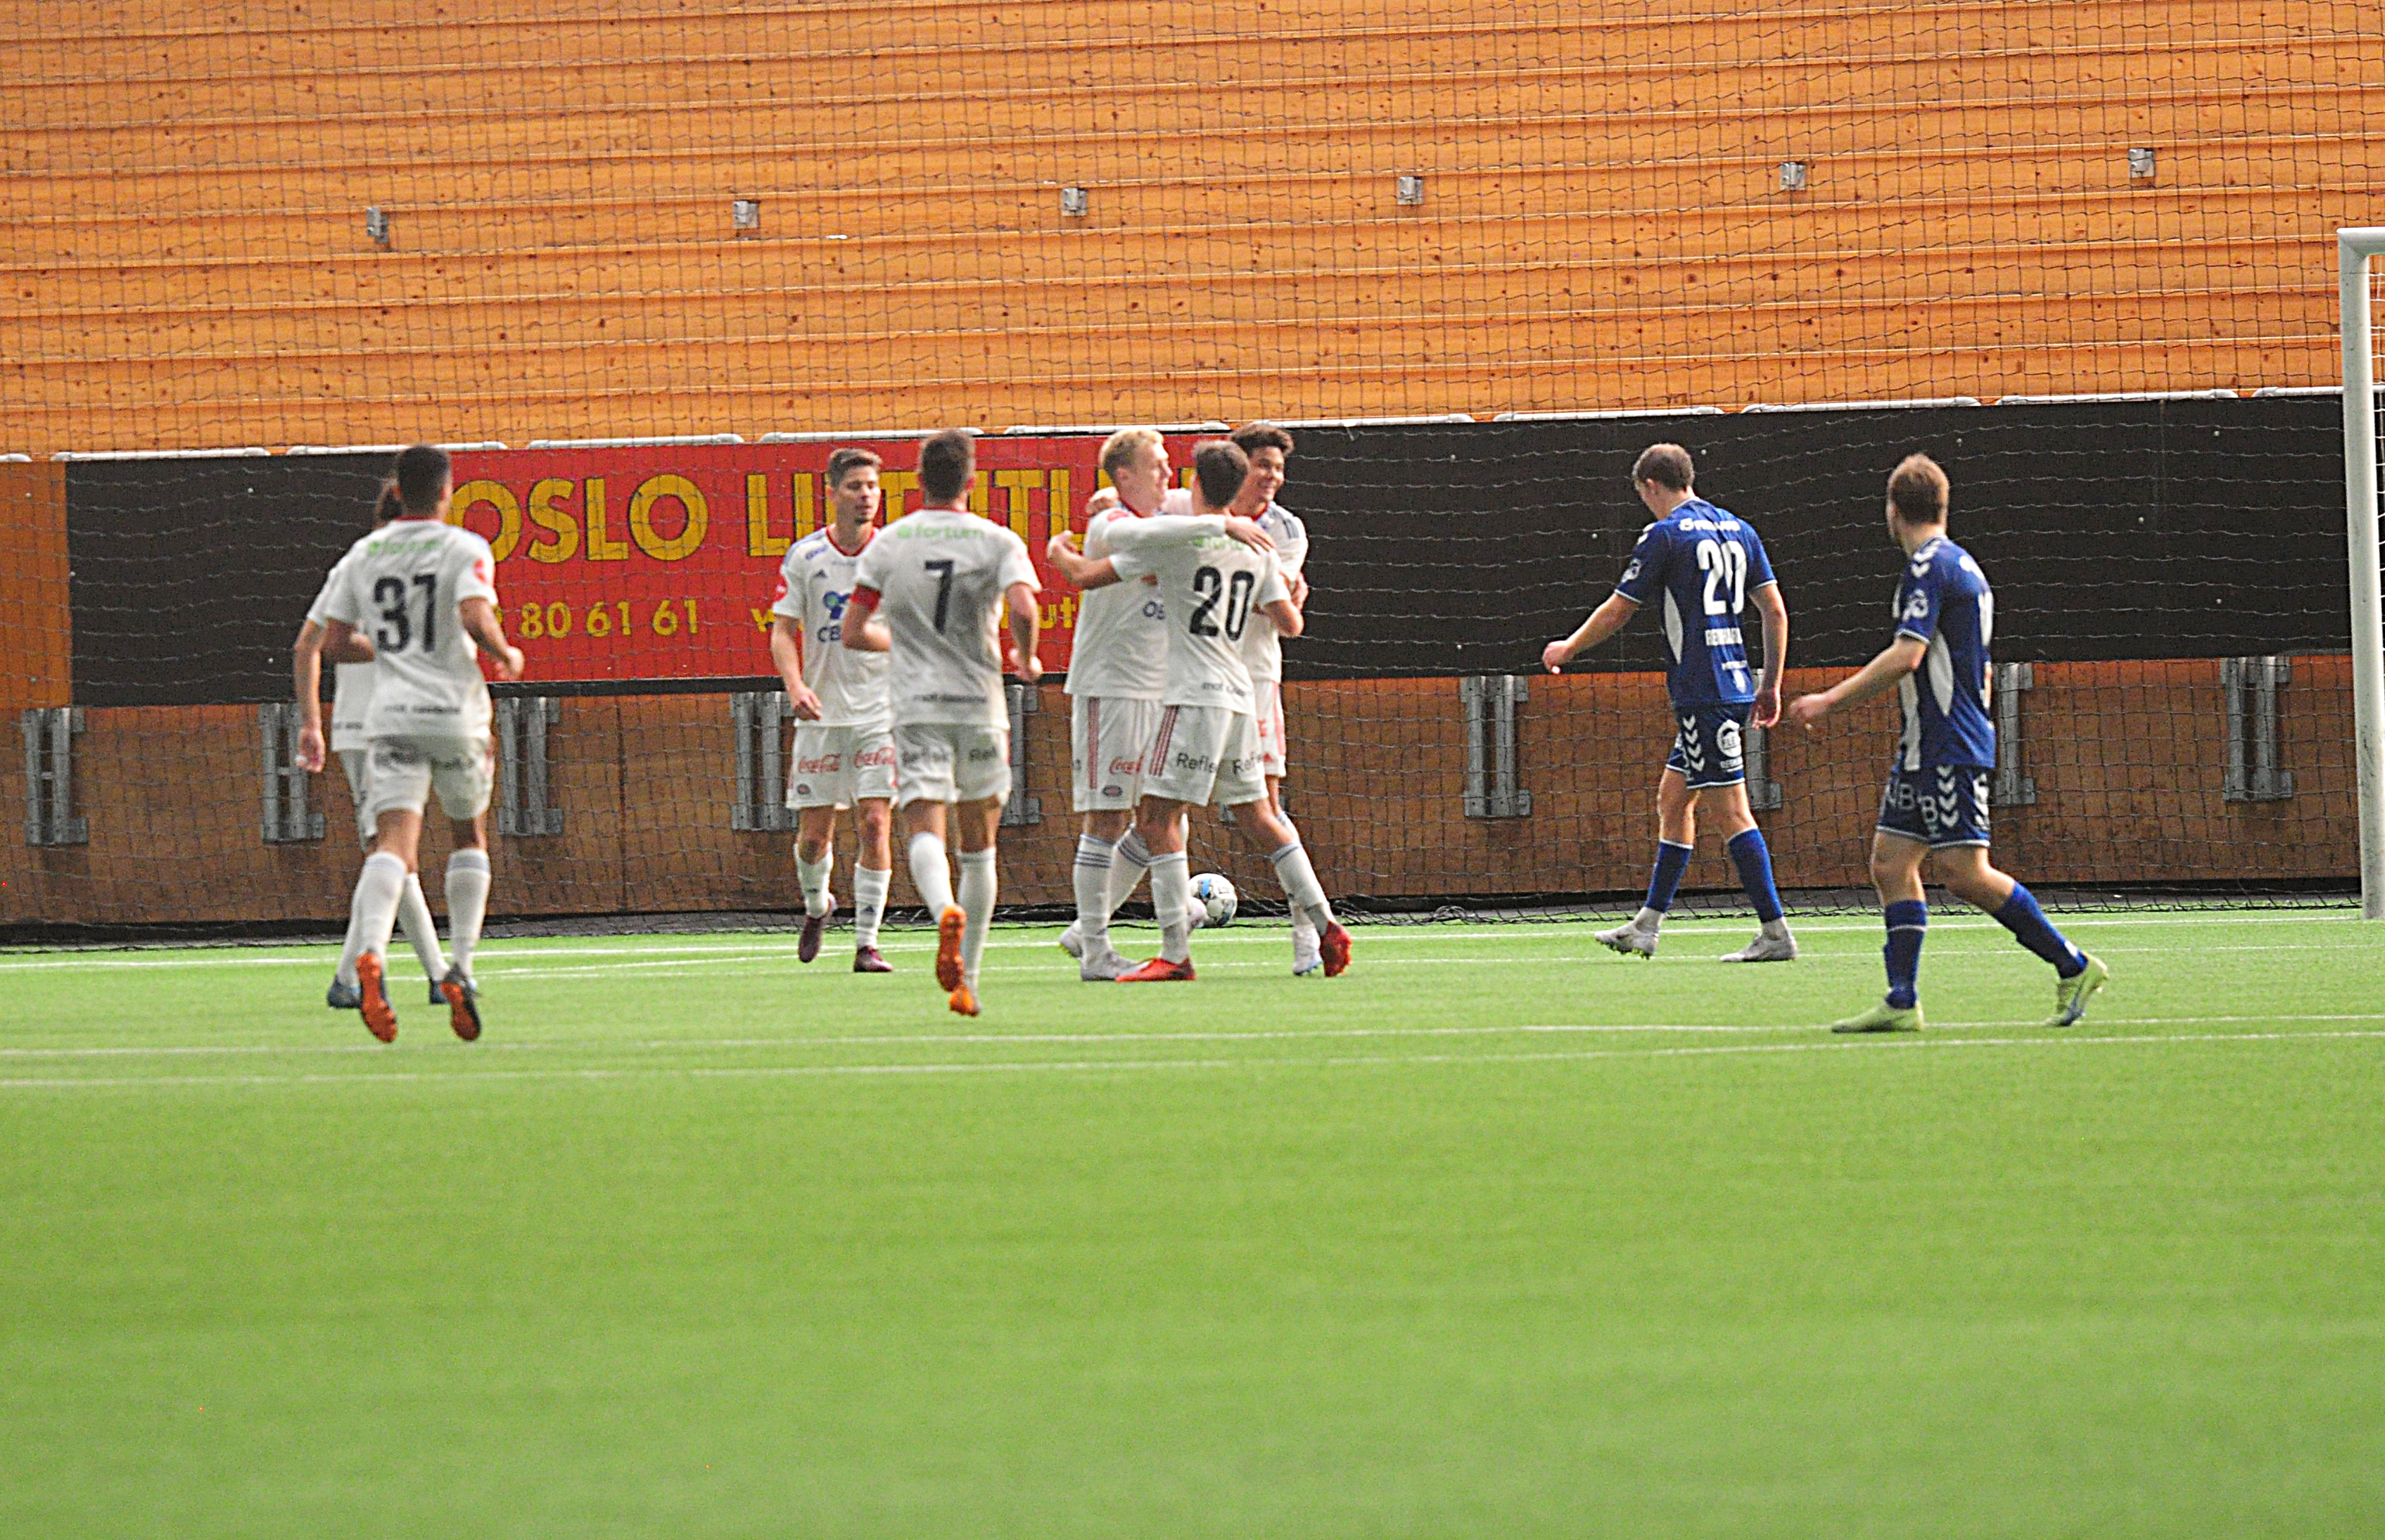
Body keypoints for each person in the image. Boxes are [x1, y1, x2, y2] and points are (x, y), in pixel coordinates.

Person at [1786, 453, 2109, 1032]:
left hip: (1947, 744)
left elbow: (1908, 655)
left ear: (1893, 509)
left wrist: (1829, 700)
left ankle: (2073, 963)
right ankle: (1902, 998)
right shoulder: (1965, 565)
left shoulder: (1929, 566)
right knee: (1890, 862)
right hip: (1925, 745)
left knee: (1965, 872)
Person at [1045, 439, 1352, 981]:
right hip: (1242, 694)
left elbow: (1091, 576)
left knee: (1157, 819)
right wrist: (1294, 593)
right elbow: (1291, 622)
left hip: (1193, 695)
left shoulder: (1177, 544)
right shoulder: (1259, 549)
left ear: (1194, 482)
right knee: (1261, 815)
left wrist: (1060, 554)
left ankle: (1174, 953)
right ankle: (1325, 922)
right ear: (1238, 486)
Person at [1541, 443, 1796, 962]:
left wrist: (1568, 646)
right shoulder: (1739, 530)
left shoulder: (1664, 536)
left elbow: (1619, 610)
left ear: (1652, 486)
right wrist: (1770, 683)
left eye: (1643, 496)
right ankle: (1647, 926)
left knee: (1732, 813)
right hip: (1735, 682)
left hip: (1704, 692)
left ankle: (1775, 932)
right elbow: (1774, 609)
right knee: (1673, 799)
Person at [317, 444, 525, 1043]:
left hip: (391, 716)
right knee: (468, 833)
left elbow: (334, 641)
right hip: (454, 714)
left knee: (392, 843)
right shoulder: (463, 547)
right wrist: (503, 650)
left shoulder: (366, 553)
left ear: (398, 490)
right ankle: (459, 966)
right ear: (446, 490)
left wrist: (390, 652)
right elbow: (473, 614)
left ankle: (374, 954)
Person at [843, 428, 1041, 1017]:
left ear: (919, 480)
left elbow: (853, 631)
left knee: (923, 825)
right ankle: (970, 982)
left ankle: (940, 911)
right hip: (979, 704)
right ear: (971, 481)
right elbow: (1027, 606)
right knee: (980, 846)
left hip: (916, 706)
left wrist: (896, 640)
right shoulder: (997, 539)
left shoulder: (889, 544)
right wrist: (1025, 656)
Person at [294, 478, 452, 1012]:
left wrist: (313, 723)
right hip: (394, 726)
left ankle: (354, 976)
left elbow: (307, 647)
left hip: (370, 728)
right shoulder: (422, 569)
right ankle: (432, 974)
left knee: (388, 853)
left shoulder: (361, 566)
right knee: (393, 852)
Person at [769, 447, 896, 972]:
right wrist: (795, 684)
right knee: (814, 838)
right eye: (855, 487)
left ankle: (867, 943)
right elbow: (782, 632)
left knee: (873, 823)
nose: (866, 495)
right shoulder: (806, 557)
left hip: (879, 713)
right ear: (832, 491)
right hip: (822, 715)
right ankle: (818, 905)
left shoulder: (891, 556)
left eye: (872, 486)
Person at [1053, 427, 1174, 981]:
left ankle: (1089, 929)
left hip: (1159, 689)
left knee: (1162, 816)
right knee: (1105, 817)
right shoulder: (1110, 525)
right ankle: (1096, 948)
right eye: (1157, 466)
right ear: (1124, 477)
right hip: (1113, 687)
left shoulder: (1153, 518)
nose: (1168, 475)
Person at [1226, 422, 1321, 972]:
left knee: (1266, 806)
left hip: (1255, 678)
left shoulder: (1286, 529)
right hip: (1190, 679)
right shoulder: (1201, 510)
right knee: (1158, 806)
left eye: (1279, 469)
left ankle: (1307, 927)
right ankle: (1162, 922)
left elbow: (1276, 608)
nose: (1273, 478)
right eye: (1264, 465)